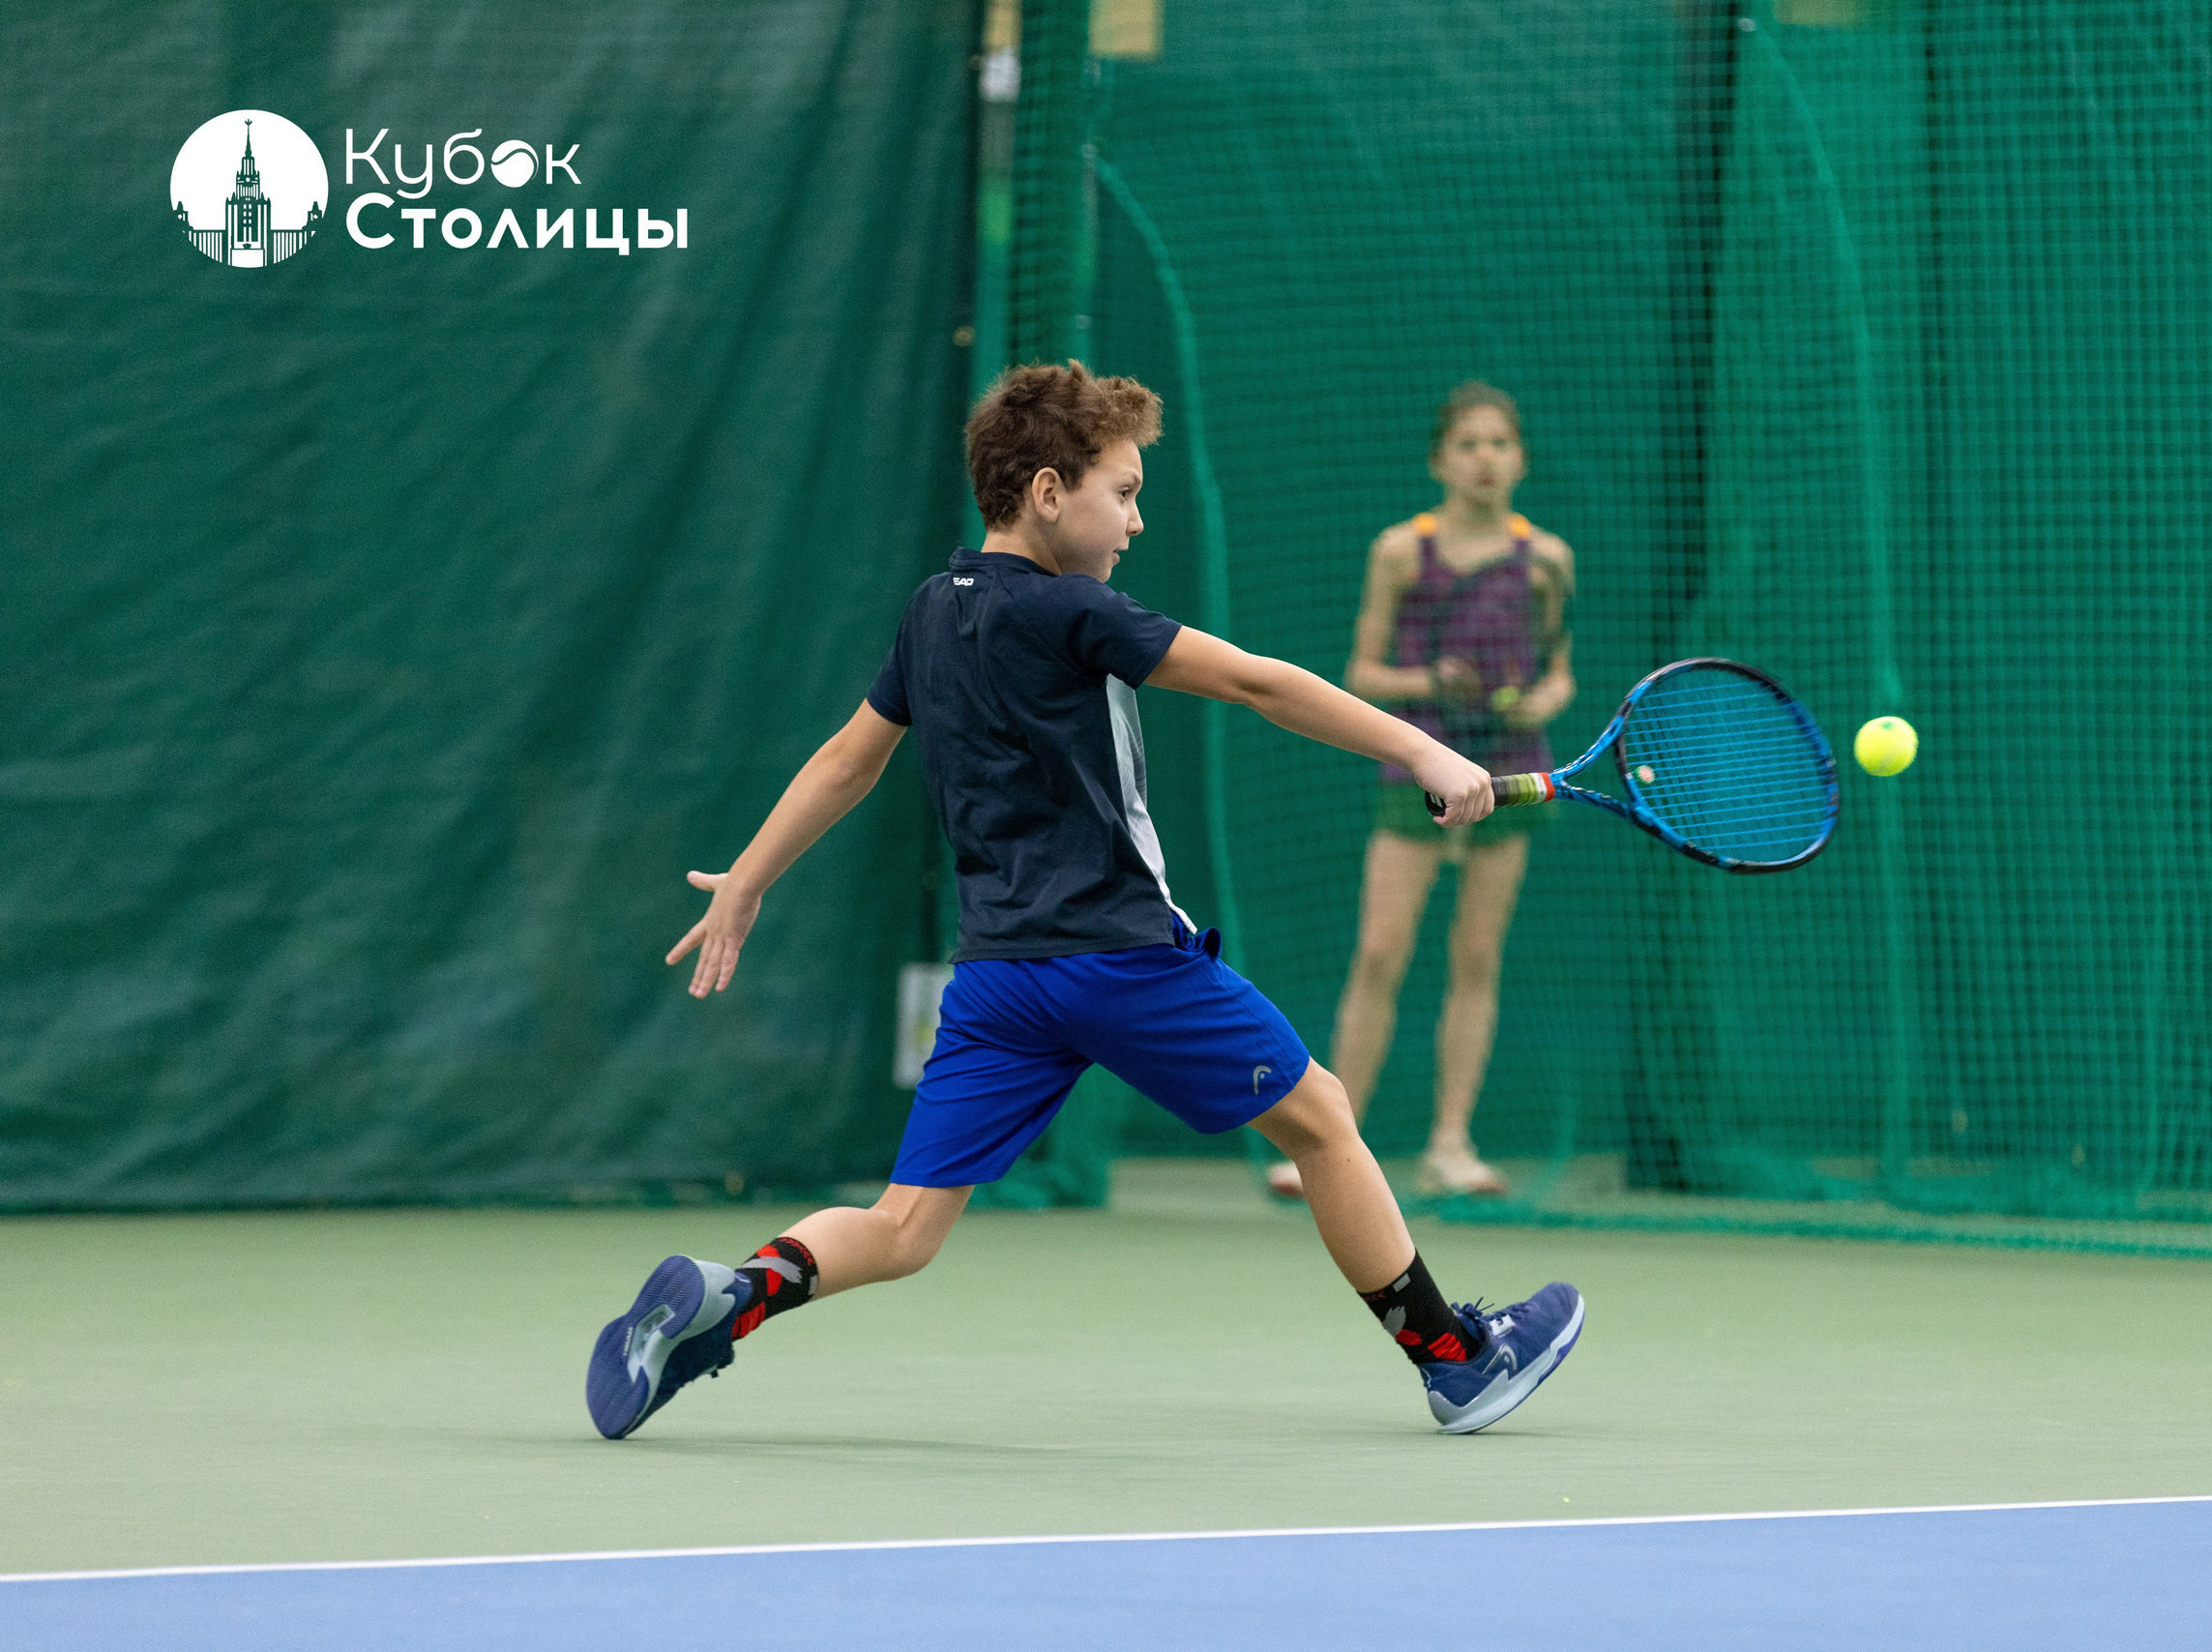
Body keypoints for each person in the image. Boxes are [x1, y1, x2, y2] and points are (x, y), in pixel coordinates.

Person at [586, 363, 1582, 1442]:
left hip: (997, 980)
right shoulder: (1076, 611)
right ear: (1050, 491)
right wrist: (1422, 749)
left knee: (905, 1224)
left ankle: (724, 1300)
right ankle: (1455, 1358)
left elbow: (845, 759)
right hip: (1119, 959)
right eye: (1123, 491)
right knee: (1324, 1119)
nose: (1137, 519)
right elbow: (1256, 681)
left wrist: (747, 879)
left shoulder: (934, 607)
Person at [1266, 383, 1574, 1201]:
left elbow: (1557, 671)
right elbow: (1361, 673)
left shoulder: (1547, 559)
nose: (1485, 459)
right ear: (1440, 460)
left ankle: (1449, 1145)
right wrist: (1428, 679)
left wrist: (1543, 700)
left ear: (1521, 460)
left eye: (1499, 444)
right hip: (1418, 770)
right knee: (1379, 953)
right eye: (1468, 444)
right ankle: (1332, 1144)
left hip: (1510, 772)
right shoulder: (1401, 550)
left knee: (1476, 957)